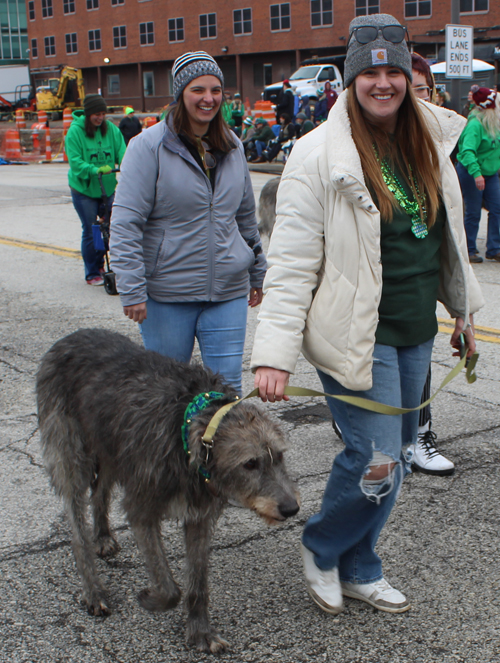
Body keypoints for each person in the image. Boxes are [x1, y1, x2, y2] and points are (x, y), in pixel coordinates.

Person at [251, 13, 483, 616]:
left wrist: (463, 313)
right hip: (356, 334)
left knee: (395, 458)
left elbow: (446, 239)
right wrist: (273, 355)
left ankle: (356, 566)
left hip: (413, 329)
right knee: (374, 456)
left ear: (408, 74)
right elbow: (293, 263)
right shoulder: (317, 154)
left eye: (393, 70)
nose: (383, 82)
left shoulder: (430, 140)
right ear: (351, 80)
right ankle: (325, 548)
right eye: (370, 71)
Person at [110, 51, 266, 395]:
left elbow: (244, 218)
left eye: (215, 90)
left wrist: (257, 271)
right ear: (180, 93)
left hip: (227, 290)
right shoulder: (147, 147)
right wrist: (131, 288)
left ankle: (219, 452)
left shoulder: (233, 147)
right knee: (165, 394)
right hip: (167, 293)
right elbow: (125, 223)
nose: (208, 99)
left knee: (225, 393)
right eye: (198, 90)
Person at [408, 52, 455, 476]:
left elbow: (452, 235)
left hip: (420, 287)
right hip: (373, 291)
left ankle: (420, 434)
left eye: (424, 89)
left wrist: (463, 310)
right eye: (411, 88)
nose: (417, 97)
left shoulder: (438, 148)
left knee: (419, 357)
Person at [66, 94, 126, 286]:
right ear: (88, 113)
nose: (100, 118)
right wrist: (94, 169)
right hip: (84, 190)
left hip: (107, 187)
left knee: (111, 228)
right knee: (92, 230)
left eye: (102, 114)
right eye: (96, 114)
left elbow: (123, 151)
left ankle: (106, 263)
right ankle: (93, 271)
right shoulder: (75, 132)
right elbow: (75, 162)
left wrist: (127, 164)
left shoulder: (111, 131)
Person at [456, 86, 500, 263]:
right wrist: (476, 174)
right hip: (471, 171)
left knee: (497, 208)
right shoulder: (475, 124)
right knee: (473, 212)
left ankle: (494, 248)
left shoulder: (494, 124)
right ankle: (469, 249)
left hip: (490, 173)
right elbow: (467, 151)